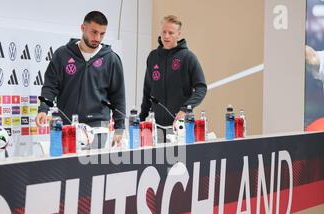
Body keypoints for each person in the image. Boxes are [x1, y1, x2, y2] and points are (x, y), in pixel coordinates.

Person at [35, 11, 126, 147]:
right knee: (65, 168)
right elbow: (50, 85)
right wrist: (43, 109)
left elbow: (118, 96)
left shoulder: (111, 59)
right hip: (67, 124)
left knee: (92, 166)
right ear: (83, 28)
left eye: (102, 34)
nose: (98, 38)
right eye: (94, 32)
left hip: (98, 127)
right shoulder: (62, 54)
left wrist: (120, 127)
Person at [139, 15, 207, 141]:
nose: (166, 36)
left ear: (178, 34)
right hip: (156, 127)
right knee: (157, 160)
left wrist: (186, 109)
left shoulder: (188, 57)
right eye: (164, 32)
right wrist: (142, 119)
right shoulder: (153, 56)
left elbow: (201, 88)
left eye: (171, 33)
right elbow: (147, 90)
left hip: (180, 127)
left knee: (180, 160)